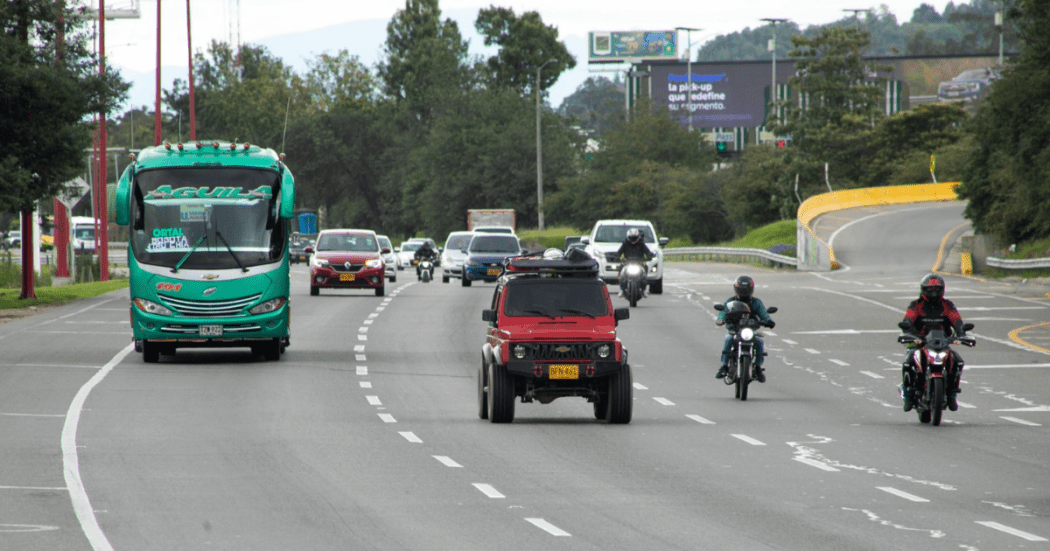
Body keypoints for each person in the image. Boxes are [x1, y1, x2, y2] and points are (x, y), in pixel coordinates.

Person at [899, 274, 967, 412]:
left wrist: (961, 334)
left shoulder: (948, 305)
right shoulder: (916, 305)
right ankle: (908, 394)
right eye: (930, 289)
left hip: (942, 343)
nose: (933, 293)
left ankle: (952, 394)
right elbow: (908, 319)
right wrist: (909, 332)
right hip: (919, 342)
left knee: (958, 361)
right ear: (923, 290)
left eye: (937, 289)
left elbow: (956, 320)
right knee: (908, 362)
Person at [715, 275, 774, 382]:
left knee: (759, 341)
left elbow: (763, 313)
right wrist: (720, 319)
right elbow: (723, 311)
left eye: (746, 289)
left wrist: (768, 321)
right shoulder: (730, 301)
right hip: (735, 330)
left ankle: (757, 367)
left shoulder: (756, 302)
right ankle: (724, 365)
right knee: (728, 339)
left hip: (750, 330)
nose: (744, 292)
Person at [615, 228, 654, 297]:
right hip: (627, 263)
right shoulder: (625, 243)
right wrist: (617, 257)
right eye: (631, 238)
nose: (633, 239)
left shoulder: (641, 243)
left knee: (645, 269)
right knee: (621, 271)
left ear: (638, 237)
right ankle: (621, 289)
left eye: (634, 238)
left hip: (639, 263)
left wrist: (650, 255)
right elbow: (619, 252)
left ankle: (644, 289)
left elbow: (647, 252)